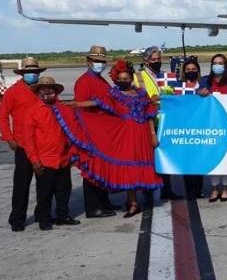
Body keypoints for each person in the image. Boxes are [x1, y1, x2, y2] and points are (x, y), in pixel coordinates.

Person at [64, 60, 165, 218]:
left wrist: (153, 135)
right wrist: (76, 105)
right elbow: (95, 102)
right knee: (130, 168)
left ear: (131, 79)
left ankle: (139, 198)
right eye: (120, 79)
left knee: (142, 167)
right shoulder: (113, 94)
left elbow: (149, 115)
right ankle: (132, 203)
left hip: (142, 134)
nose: (123, 81)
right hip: (126, 134)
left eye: (126, 79)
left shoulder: (141, 93)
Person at [24, 77, 79, 230]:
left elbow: (71, 132)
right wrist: (34, 160)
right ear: (38, 91)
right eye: (43, 89)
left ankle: (63, 216)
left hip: (63, 158)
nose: (47, 92)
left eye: (50, 89)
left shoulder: (63, 108)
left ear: (55, 91)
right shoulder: (32, 111)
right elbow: (28, 139)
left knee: (64, 190)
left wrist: (72, 155)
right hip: (44, 160)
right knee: (44, 192)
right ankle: (44, 219)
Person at [0, 57, 46, 231]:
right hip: (23, 144)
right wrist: (8, 137)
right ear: (22, 73)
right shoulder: (13, 92)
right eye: (28, 72)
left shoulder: (42, 90)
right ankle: (17, 218)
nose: (32, 75)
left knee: (43, 182)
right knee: (21, 183)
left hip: (42, 143)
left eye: (34, 72)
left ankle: (42, 214)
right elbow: (3, 116)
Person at [73, 46, 118, 218]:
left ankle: (103, 202)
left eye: (102, 62)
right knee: (91, 170)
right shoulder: (84, 82)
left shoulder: (101, 80)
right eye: (97, 61)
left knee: (101, 169)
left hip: (103, 133)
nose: (100, 64)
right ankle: (93, 207)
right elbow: (80, 108)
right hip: (92, 133)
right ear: (89, 62)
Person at [133, 45, 182, 201]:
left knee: (165, 158)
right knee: (148, 159)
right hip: (148, 123)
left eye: (159, 59)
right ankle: (147, 192)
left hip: (165, 123)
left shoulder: (165, 77)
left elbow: (173, 95)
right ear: (146, 61)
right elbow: (134, 99)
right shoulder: (138, 78)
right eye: (154, 59)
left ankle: (167, 189)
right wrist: (149, 100)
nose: (157, 62)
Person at [199, 54, 227, 202]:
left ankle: (226, 188)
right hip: (211, 125)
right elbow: (196, 99)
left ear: (225, 66)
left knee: (226, 156)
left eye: (220, 63)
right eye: (215, 63)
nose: (217, 65)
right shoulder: (204, 81)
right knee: (213, 157)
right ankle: (214, 188)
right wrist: (200, 93)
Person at [178, 57, 206, 200]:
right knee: (187, 161)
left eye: (193, 70)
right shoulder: (180, 87)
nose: (191, 72)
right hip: (185, 128)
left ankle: (199, 189)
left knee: (199, 160)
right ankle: (189, 190)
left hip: (201, 127)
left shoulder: (203, 85)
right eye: (188, 70)